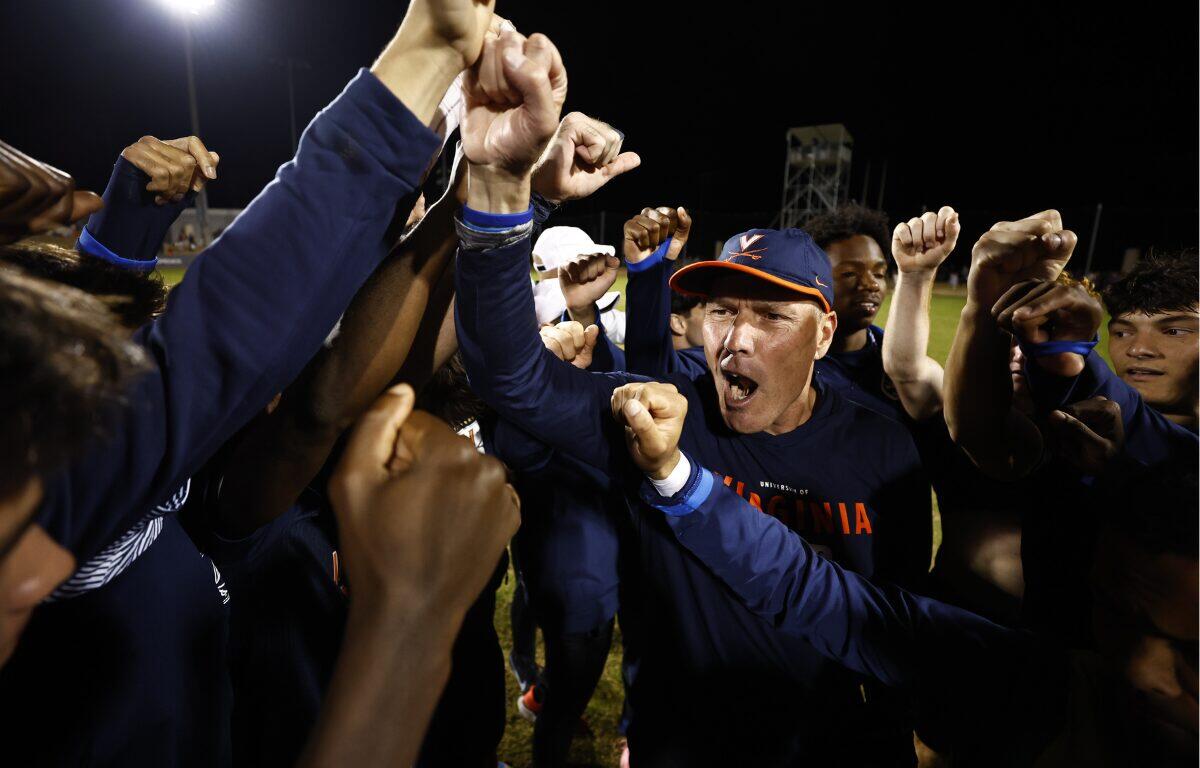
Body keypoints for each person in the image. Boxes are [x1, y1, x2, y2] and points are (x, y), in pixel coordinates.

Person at [0, 1, 495, 763]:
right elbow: (212, 358)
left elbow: (179, 364)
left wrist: (124, 231)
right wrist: (407, 629)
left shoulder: (153, 505)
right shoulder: (76, 505)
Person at [454, 29, 932, 764]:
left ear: (826, 331)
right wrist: (500, 192)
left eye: (770, 316)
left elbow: (897, 634)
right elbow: (510, 377)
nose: (735, 340)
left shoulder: (883, 449)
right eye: (721, 312)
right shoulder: (657, 416)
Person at [614, 371, 1197, 766]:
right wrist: (678, 480)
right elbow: (822, 596)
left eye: (1190, 654)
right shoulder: (1032, 686)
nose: (1147, 670)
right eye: (1115, 616)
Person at [944, 210, 1198, 645]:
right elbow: (982, 434)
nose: (1139, 349)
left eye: (1173, 330)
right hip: (1059, 687)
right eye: (1120, 331)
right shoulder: (1082, 418)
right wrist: (984, 311)